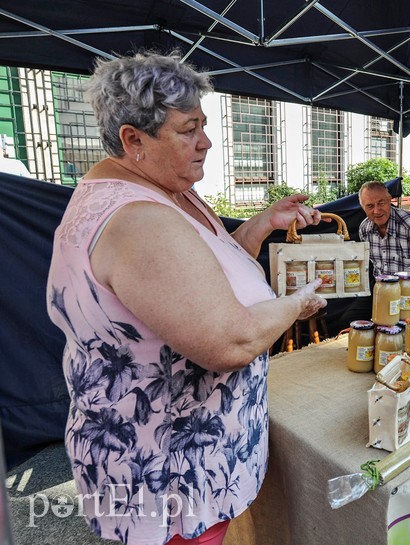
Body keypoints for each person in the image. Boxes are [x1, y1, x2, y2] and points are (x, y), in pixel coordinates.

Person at [46, 51, 327, 545]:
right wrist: (299, 302)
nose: (206, 141)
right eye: (188, 129)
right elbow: (230, 342)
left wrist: (261, 225)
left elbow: (200, 282)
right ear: (134, 139)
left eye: (204, 124)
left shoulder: (166, 190)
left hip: (180, 461)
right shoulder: (140, 220)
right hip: (167, 474)